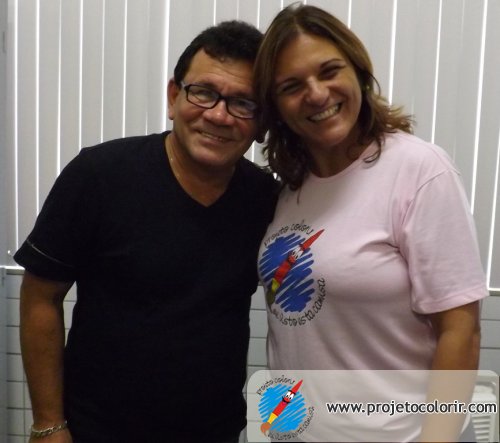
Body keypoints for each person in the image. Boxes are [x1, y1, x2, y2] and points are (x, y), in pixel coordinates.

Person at [15, 20, 278, 443]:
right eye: (203, 92)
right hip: (94, 431)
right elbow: (40, 297)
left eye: (243, 103)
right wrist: (48, 423)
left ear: (262, 121)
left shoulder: (267, 199)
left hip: (214, 431)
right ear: (174, 97)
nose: (218, 115)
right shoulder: (99, 175)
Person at [253, 4, 488, 442]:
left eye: (329, 71)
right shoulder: (290, 190)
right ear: (276, 107)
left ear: (359, 72)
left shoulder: (418, 170)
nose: (316, 94)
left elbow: (461, 331)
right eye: (292, 86)